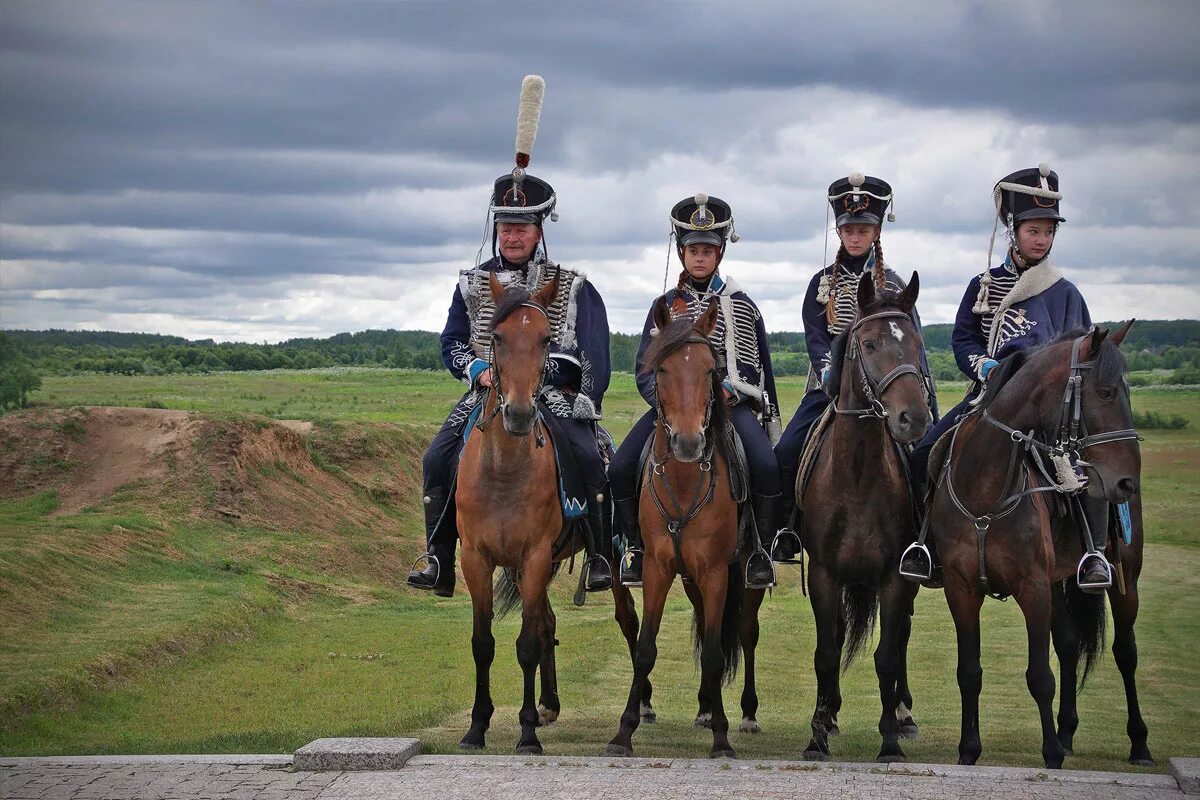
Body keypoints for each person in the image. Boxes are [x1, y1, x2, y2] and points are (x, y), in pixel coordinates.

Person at [897, 164, 1109, 589]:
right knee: (925, 454)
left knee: (1090, 471)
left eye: (1049, 231)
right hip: (988, 398)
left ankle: (1093, 554)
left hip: (1049, 409)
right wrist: (983, 365)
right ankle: (925, 545)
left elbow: (1085, 355)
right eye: (1034, 230)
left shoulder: (1066, 293)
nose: (1042, 239)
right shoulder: (984, 285)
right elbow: (963, 340)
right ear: (1014, 229)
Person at [405, 167, 614, 597]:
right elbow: (452, 343)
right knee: (435, 458)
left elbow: (592, 353)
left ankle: (598, 555)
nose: (511, 236)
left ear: (538, 232)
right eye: (505, 228)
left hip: (554, 393)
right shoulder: (473, 284)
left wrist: (576, 393)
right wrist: (477, 370)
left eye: (520, 228)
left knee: (589, 458)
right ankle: (439, 557)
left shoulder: (572, 287)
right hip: (488, 391)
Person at [609, 194, 782, 590]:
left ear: (719, 254)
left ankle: (760, 551)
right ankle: (634, 549)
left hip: (729, 407)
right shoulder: (665, 306)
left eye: (707, 250)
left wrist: (740, 394)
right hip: (673, 411)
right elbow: (644, 369)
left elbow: (760, 368)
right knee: (619, 467)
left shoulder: (743, 306)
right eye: (692, 250)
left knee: (767, 467)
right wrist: (668, 405)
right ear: (681, 252)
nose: (699, 258)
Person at [774, 174, 937, 556]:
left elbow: (913, 344)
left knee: (922, 453)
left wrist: (925, 394)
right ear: (840, 232)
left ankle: (921, 537)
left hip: (885, 389)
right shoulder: (821, 284)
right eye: (849, 230)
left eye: (864, 229)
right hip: (831, 387)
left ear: (877, 232)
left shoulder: (896, 285)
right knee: (785, 452)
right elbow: (815, 336)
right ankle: (787, 531)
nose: (856, 237)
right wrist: (830, 370)